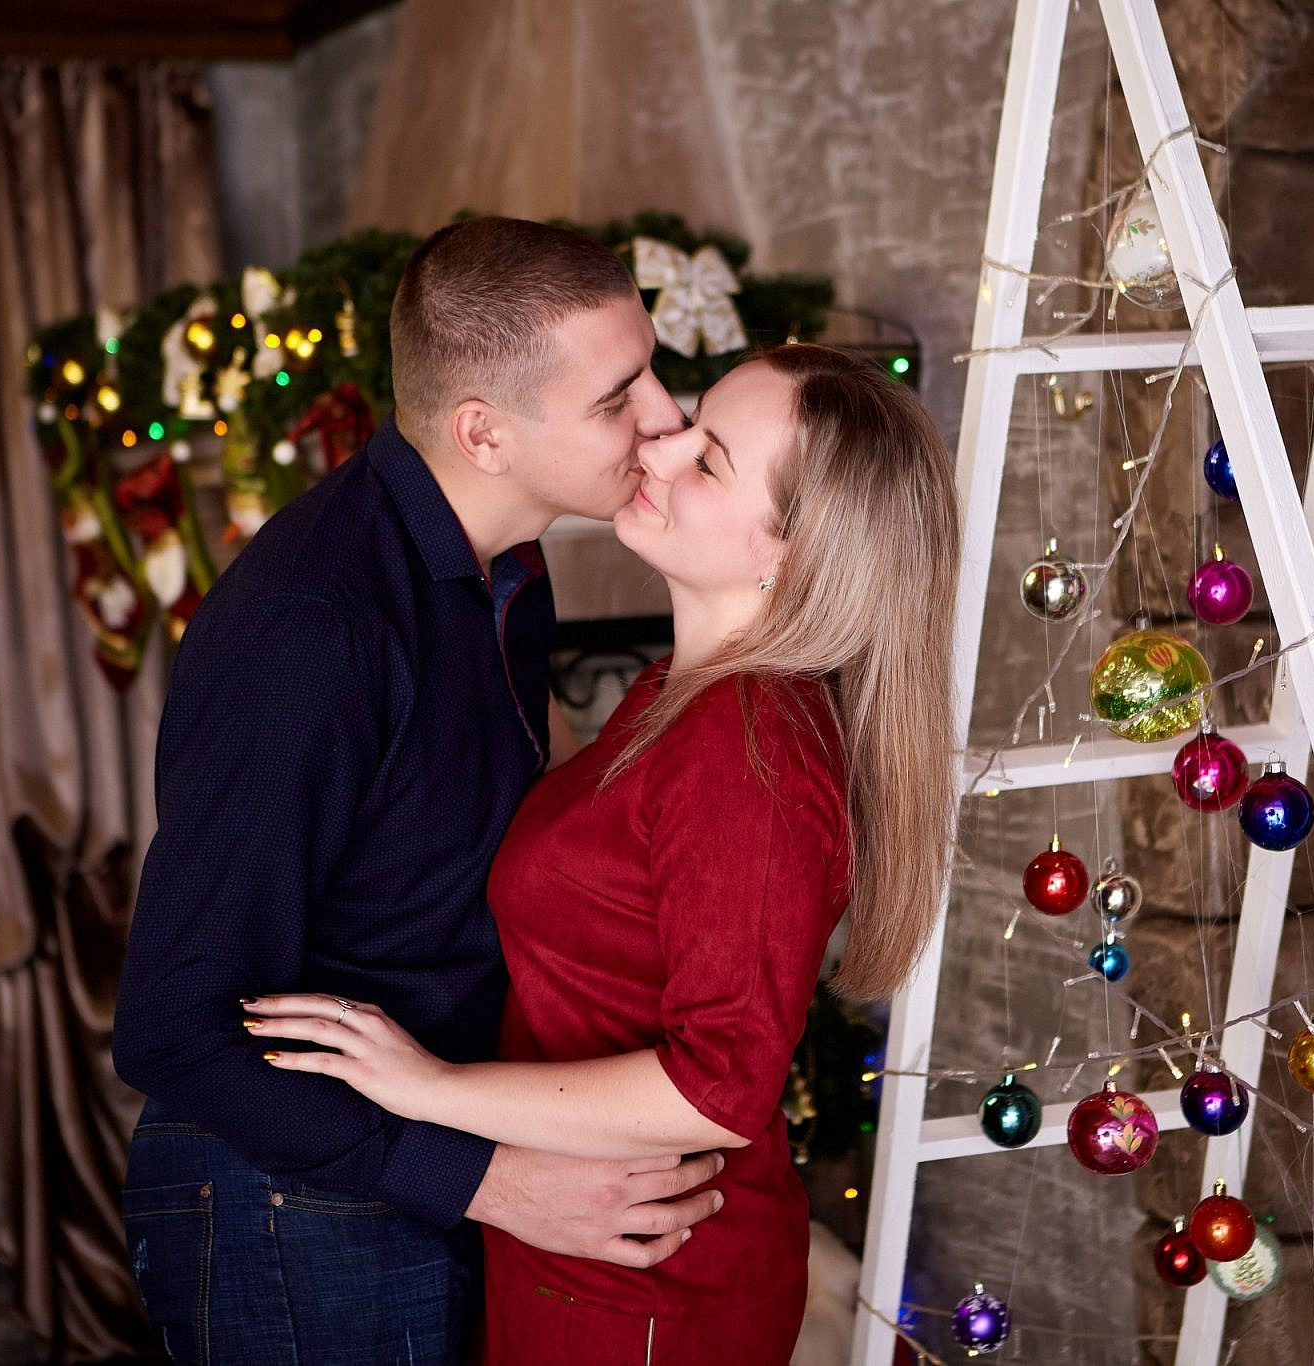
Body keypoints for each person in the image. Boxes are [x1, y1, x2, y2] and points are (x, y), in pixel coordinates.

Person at [245, 341, 961, 1364]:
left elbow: (720, 1088)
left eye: (707, 459)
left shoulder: (748, 742)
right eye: (690, 419)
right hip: (586, 1246)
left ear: (791, 555)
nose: (659, 444)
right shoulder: (682, 693)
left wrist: (427, 1088)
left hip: (653, 1279)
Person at [111, 217, 730, 1366]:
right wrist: (491, 1179)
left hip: (424, 1147)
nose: (665, 415)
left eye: (652, 367)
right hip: (284, 1201)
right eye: (617, 396)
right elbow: (171, 1024)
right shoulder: (317, 626)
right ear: (482, 432)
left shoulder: (508, 571)